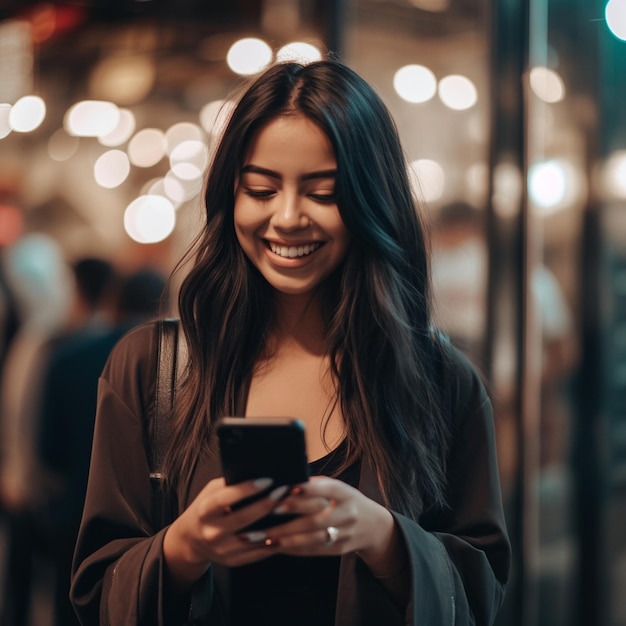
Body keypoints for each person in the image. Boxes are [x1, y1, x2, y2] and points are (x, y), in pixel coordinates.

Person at [70, 59, 510, 626]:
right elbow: (95, 589)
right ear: (231, 196)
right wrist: (183, 547)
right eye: (261, 188)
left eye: (323, 192)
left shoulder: (441, 381)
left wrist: (384, 538)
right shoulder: (154, 370)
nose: (287, 217)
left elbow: (482, 592)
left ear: (370, 201)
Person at [35, 267, 167, 626]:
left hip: (76, 516)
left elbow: (48, 449)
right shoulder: (186, 366)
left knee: (76, 608)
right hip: (157, 528)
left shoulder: (66, 357)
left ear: (114, 304)